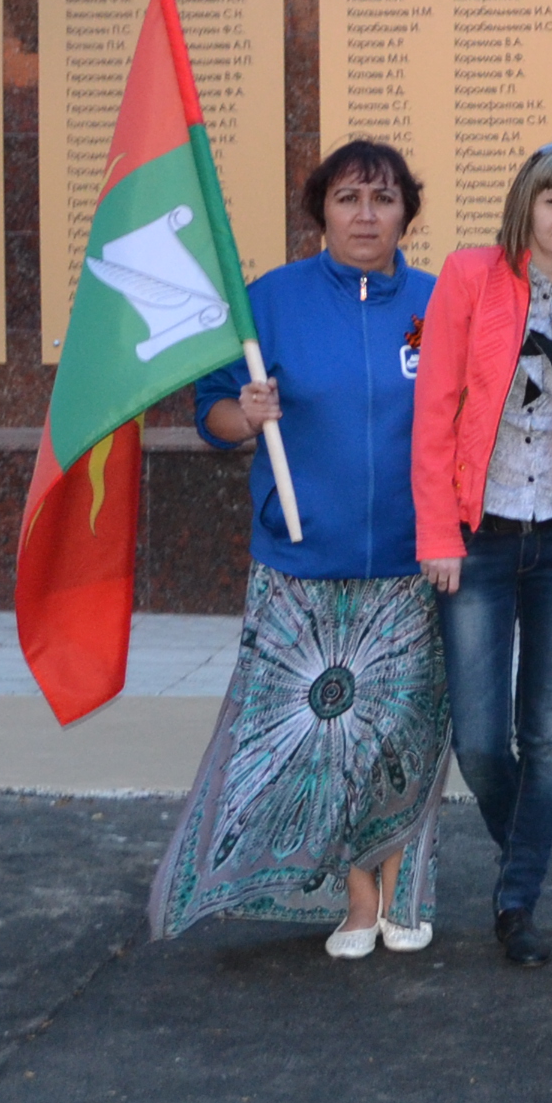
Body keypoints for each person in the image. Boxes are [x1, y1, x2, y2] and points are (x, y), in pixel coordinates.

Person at [149, 140, 449, 960]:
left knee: (397, 735)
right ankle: (356, 900)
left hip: (410, 564)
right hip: (301, 565)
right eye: (348, 198)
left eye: (383, 200)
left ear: (405, 216)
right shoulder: (268, 304)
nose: (365, 215)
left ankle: (398, 890)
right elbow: (209, 416)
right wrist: (244, 415)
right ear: (320, 210)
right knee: (326, 743)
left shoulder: (436, 303)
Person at [416, 141, 552, 969]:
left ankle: (518, 901)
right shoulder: (470, 277)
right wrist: (437, 533)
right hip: (479, 537)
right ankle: (528, 847)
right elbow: (435, 414)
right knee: (478, 740)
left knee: (546, 734)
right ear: (526, 205)